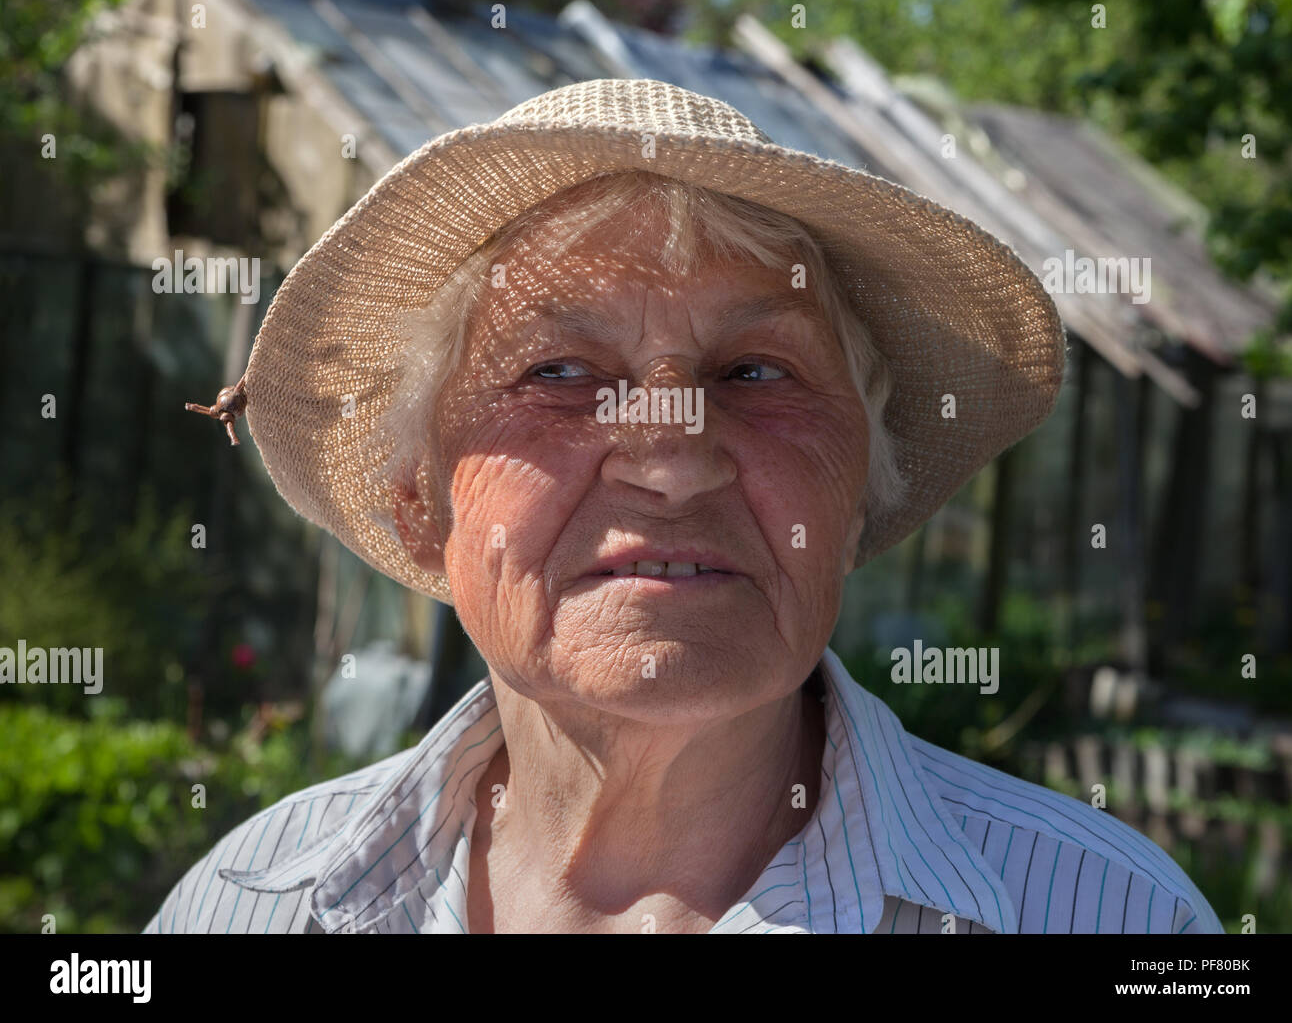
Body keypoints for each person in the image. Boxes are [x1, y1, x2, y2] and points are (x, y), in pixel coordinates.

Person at [150, 78, 1220, 934]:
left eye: (755, 373)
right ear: (419, 502)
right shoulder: (247, 908)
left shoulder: (1113, 917)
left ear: (857, 496)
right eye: (561, 373)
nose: (670, 461)